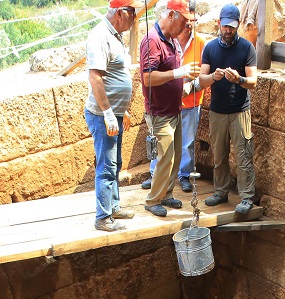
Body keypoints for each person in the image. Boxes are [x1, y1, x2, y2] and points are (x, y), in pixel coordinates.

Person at [85, 0, 144, 233]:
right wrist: (109, 113)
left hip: (114, 113)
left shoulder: (115, 36)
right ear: (120, 13)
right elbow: (96, 78)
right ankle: (103, 217)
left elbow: (114, 75)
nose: (134, 17)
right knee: (106, 166)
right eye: (132, 12)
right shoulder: (100, 36)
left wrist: (121, 110)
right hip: (102, 115)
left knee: (116, 163)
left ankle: (113, 206)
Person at [140, 0, 200, 218]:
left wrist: (184, 82)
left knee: (174, 157)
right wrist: (177, 73)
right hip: (159, 112)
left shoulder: (172, 40)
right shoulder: (152, 41)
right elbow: (147, 77)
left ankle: (166, 194)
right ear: (172, 15)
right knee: (165, 158)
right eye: (184, 21)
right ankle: (152, 200)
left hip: (174, 108)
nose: (185, 26)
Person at [199, 3, 257, 214]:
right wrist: (213, 77)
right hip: (217, 111)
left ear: (238, 24)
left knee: (243, 156)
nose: (228, 30)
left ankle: (247, 197)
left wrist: (239, 79)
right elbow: (202, 80)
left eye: (232, 27)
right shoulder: (210, 48)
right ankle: (221, 191)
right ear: (219, 24)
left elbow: (253, 81)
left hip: (240, 111)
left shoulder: (247, 48)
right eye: (225, 26)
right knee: (219, 156)